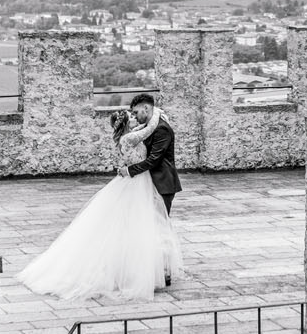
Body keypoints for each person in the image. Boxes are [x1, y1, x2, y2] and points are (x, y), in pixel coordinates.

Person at [17, 94, 183, 300]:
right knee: (148, 227)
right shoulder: (146, 127)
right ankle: (153, 272)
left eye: (137, 112)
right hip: (145, 183)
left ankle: (162, 273)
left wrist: (130, 170)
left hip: (162, 183)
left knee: (160, 228)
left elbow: (155, 159)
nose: (135, 116)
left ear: (147, 109)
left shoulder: (161, 128)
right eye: (132, 114)